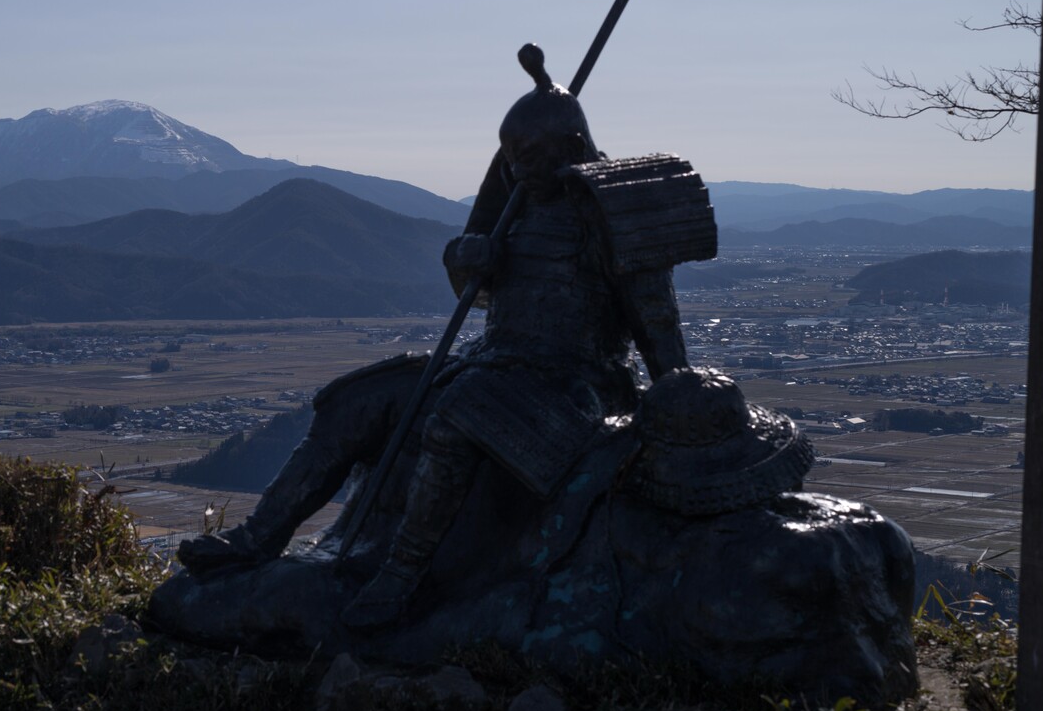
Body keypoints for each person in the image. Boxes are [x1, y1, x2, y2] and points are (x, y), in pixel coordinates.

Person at [180, 45, 705, 631]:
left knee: (455, 417)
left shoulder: (615, 211)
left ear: (573, 149)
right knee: (357, 400)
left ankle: (402, 575)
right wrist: (467, 255)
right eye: (511, 157)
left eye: (531, 156)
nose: (519, 169)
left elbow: (657, 324)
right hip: (497, 361)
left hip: (578, 384)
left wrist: (676, 406)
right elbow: (473, 286)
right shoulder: (515, 202)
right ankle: (257, 539)